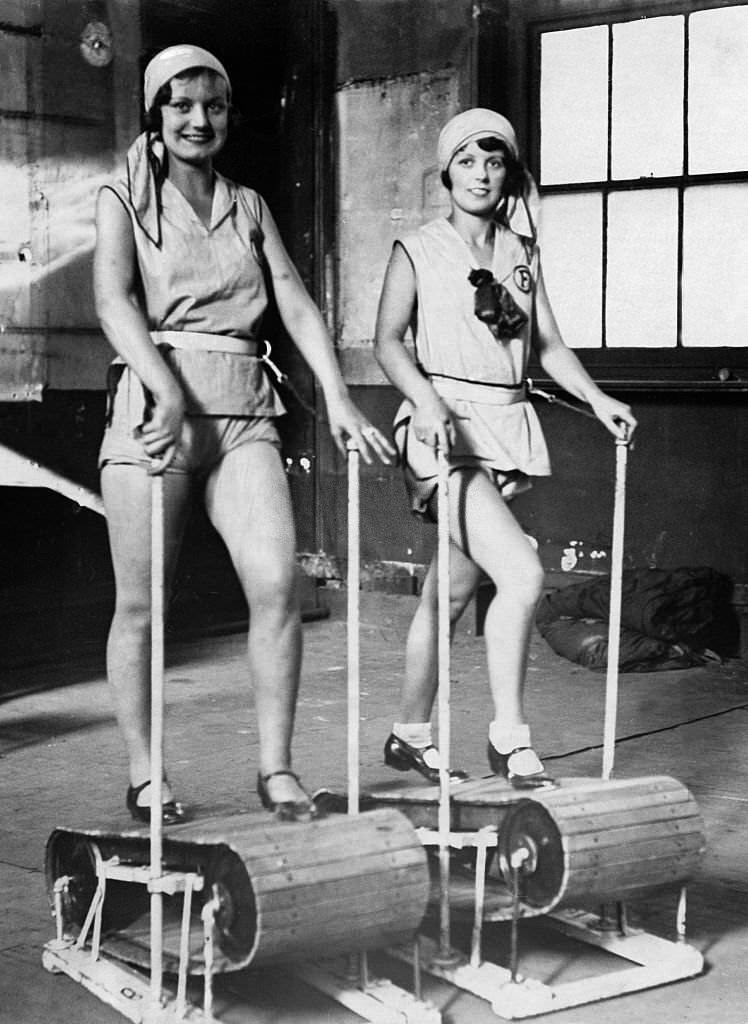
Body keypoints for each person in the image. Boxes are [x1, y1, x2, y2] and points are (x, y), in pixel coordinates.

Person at [94, 44, 394, 825]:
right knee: (140, 607)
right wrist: (161, 387)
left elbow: (295, 306)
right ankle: (146, 775)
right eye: (181, 105)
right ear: (156, 116)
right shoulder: (122, 199)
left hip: (244, 414)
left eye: (214, 105)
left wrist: (336, 398)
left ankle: (277, 770)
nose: (199, 119)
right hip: (153, 417)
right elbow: (114, 305)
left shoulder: (249, 205)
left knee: (275, 586)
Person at [374, 108, 637, 788]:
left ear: (508, 173)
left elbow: (546, 345)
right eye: (467, 162)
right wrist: (426, 401)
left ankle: (409, 733)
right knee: (521, 574)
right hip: (443, 430)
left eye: (493, 163)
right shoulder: (419, 250)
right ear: (446, 173)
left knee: (450, 589)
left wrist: (598, 400)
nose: (481, 175)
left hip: (504, 425)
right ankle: (510, 738)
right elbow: (387, 342)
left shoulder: (522, 251)